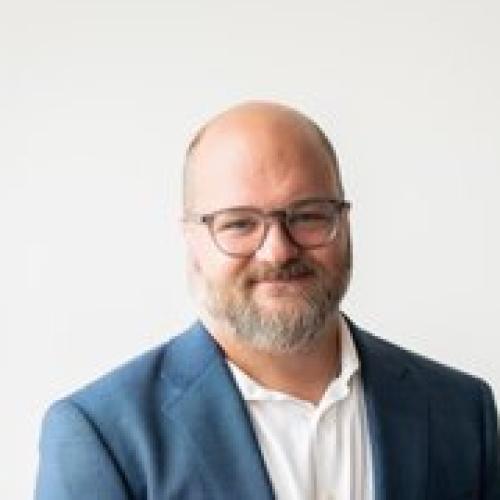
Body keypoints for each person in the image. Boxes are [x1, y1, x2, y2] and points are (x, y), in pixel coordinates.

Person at [35, 101, 499, 499]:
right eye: (239, 224)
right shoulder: (102, 434)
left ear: (345, 223)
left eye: (308, 216)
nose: (277, 251)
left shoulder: (461, 411)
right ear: (192, 240)